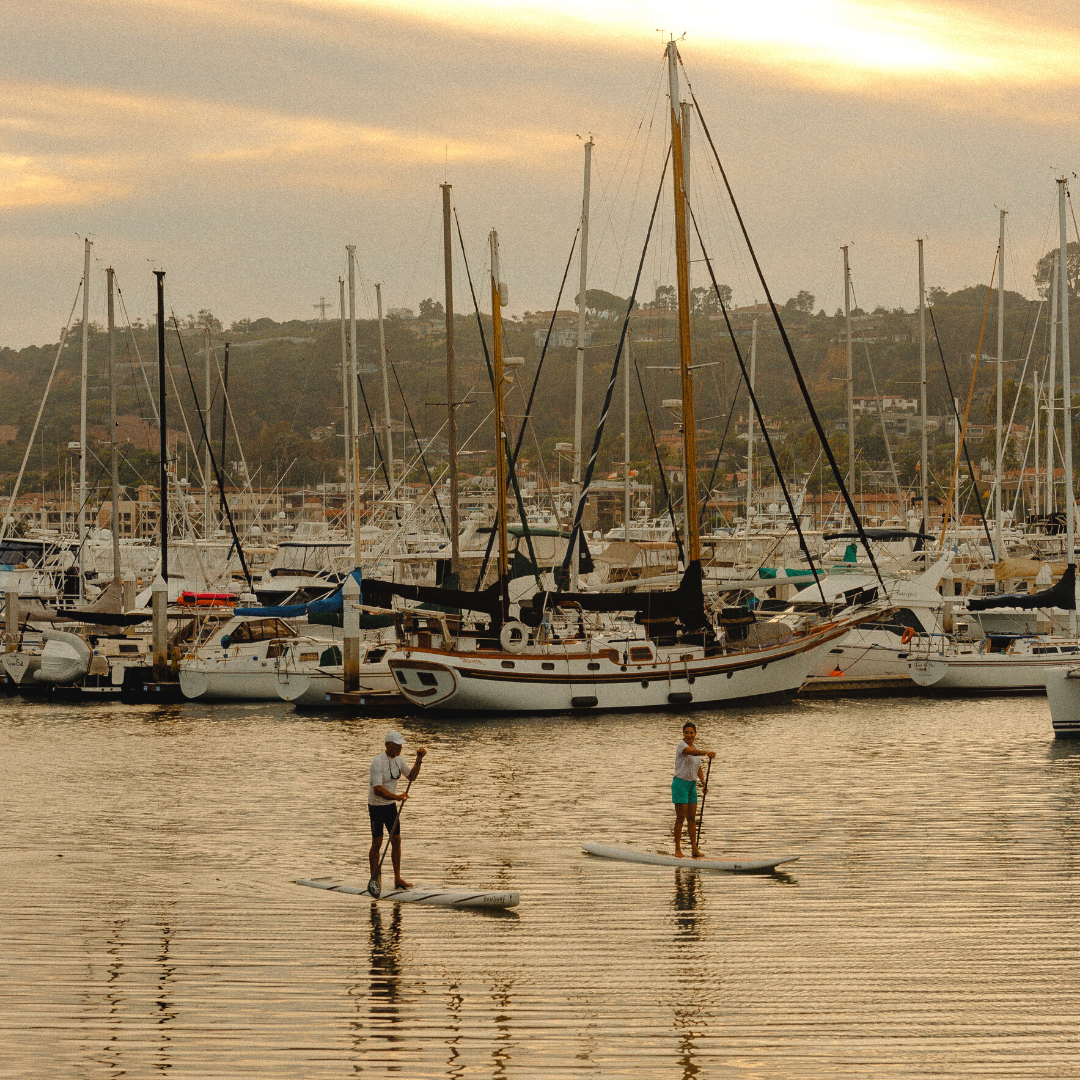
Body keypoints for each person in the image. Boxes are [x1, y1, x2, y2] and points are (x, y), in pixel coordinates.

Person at [369, 731, 426, 890]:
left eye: (401, 745)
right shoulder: (377, 762)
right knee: (378, 842)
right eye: (397, 745)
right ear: (388, 745)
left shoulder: (399, 760)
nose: (400, 748)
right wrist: (397, 796)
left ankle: (397, 879)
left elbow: (412, 776)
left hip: (390, 806)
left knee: (396, 840)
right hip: (376, 806)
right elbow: (378, 790)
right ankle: (374, 879)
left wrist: (419, 760)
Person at [672, 721, 715, 859]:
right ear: (683, 734)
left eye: (691, 733)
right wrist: (706, 752)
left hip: (691, 786)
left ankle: (694, 849)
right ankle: (677, 850)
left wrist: (703, 783)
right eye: (686, 733)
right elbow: (692, 753)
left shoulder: (695, 746)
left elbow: (698, 767)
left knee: (692, 819)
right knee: (680, 818)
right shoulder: (682, 746)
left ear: (695, 734)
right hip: (680, 784)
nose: (689, 735)